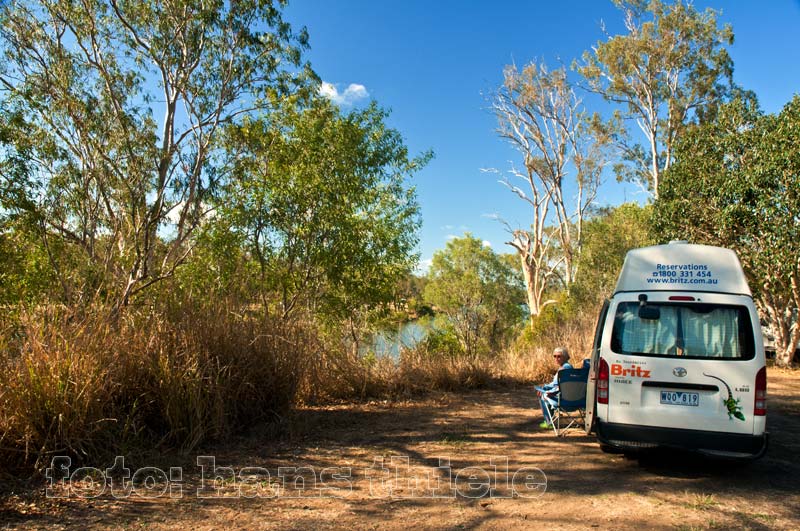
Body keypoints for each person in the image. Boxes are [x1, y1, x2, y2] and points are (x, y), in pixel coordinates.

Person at [536, 347, 573, 429]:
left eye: (559, 356)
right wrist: (545, 387)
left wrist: (545, 390)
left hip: (564, 400)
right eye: (554, 356)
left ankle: (548, 422)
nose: (556, 358)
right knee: (544, 392)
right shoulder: (568, 367)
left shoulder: (565, 368)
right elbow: (557, 384)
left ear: (565, 357)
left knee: (543, 396)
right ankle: (549, 420)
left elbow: (558, 386)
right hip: (574, 399)